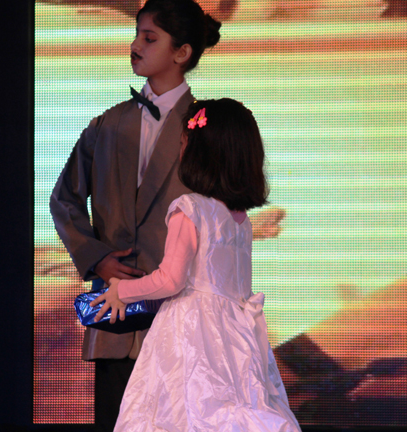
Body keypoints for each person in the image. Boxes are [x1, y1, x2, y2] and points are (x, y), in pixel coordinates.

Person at [50, 1, 222, 429]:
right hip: (116, 309)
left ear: (182, 52)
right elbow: (65, 198)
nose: (136, 45)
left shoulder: (207, 128)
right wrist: (96, 259)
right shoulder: (107, 124)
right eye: (136, 35)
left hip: (179, 314)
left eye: (149, 38)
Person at [92, 98, 302, 431]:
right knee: (232, 406)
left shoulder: (189, 208)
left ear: (200, 152)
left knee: (184, 409)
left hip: (193, 330)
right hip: (237, 335)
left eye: (183, 143)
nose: (180, 151)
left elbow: (170, 280)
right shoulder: (240, 221)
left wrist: (122, 290)